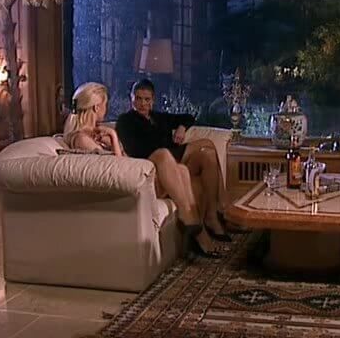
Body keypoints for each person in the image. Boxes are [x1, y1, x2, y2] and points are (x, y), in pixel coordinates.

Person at [63, 82, 218, 258]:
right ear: (97, 107)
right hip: (128, 183)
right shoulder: (82, 138)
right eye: (105, 104)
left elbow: (121, 160)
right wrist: (113, 137)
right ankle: (192, 222)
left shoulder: (96, 133)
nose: (106, 108)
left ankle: (195, 228)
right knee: (162, 155)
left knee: (182, 170)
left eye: (147, 99)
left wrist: (111, 140)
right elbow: (117, 168)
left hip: (132, 173)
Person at [116, 79, 231, 256]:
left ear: (153, 100)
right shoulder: (126, 121)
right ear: (131, 98)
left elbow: (188, 117)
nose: (142, 104)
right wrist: (165, 148)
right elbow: (136, 149)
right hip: (152, 161)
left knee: (207, 152)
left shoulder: (158, 117)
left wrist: (182, 128)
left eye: (147, 99)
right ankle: (221, 209)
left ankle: (212, 214)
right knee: (168, 153)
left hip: (173, 159)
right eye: (138, 99)